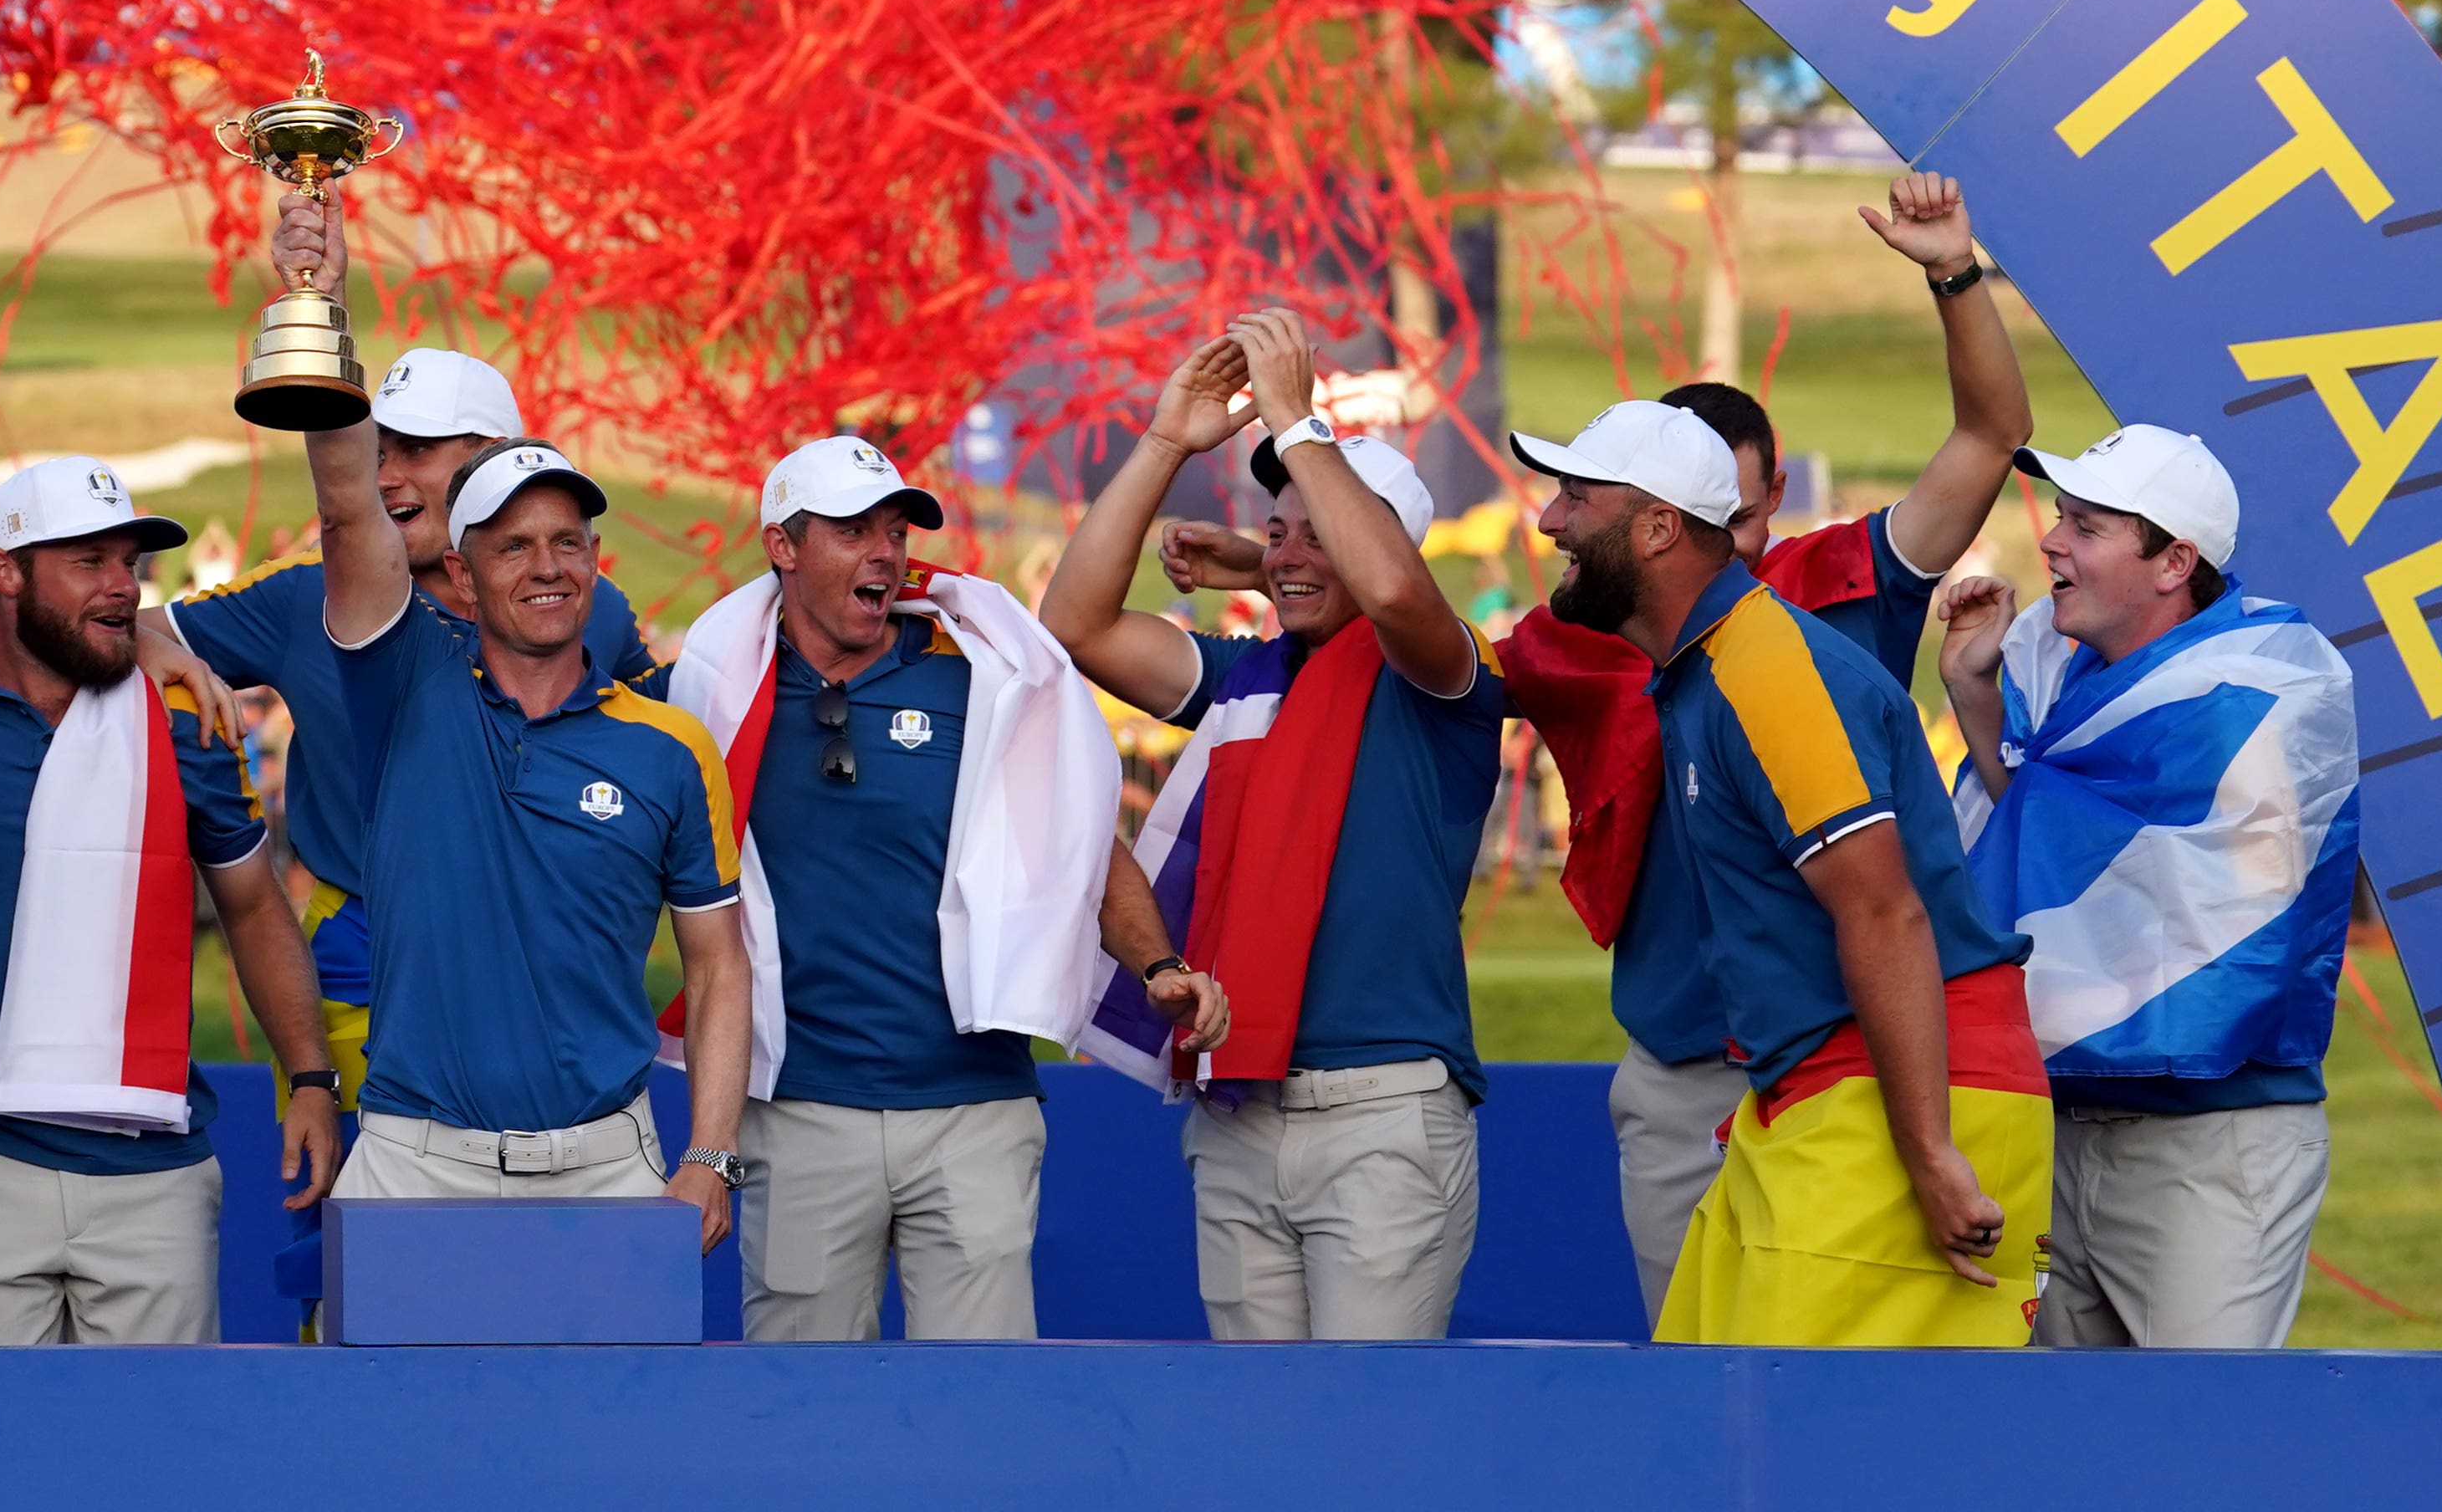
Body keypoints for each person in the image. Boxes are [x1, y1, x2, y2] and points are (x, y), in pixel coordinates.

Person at [1484, 171, 2035, 1320]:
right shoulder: (1673, 653)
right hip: (1778, 1078)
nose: (1544, 523)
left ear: (1659, 525)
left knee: (1812, 1443)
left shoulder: (1772, 651)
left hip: (1869, 1074)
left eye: (1573, 501)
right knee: (1725, 1410)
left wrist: (1928, 1147)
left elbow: (1882, 910)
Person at [1045, 315, 1505, 1341]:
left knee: (1371, 1443)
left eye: (1316, 528)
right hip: (1238, 1107)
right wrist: (1168, 441)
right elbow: (1075, 624)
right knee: (1262, 1438)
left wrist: (1300, 418)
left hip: (1383, 1112)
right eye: (1278, 525)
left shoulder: (1442, 670)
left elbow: (1386, 587)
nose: (1292, 548)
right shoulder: (1248, 677)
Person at [654, 430, 1124, 1341]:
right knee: (799, 1413)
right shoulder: (714, 689)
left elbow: (1083, 842)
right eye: (853, 528)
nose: (887, 552)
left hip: (975, 1107)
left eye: (897, 530)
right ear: (783, 547)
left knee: (984, 1407)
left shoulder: (983, 672)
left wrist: (1157, 964)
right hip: (800, 1111)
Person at [170, 294, 657, 1103]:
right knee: (368, 1211)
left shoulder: (588, 605)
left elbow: (656, 720)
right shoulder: (306, 599)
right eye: (379, 448)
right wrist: (170, 651)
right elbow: (129, 630)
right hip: (363, 956)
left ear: (496, 457)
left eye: (418, 450)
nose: (387, 474)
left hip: (544, 956)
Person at [0, 454, 341, 1345]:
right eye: (89, 562)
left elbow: (256, 908)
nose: (121, 589)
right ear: (5, 571)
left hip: (152, 1172)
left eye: (128, 564)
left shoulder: (186, 718)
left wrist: (309, 1076)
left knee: (157, 1463)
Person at [1940, 424, 2358, 1351]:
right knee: (2062, 1456)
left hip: (2209, 1144)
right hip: (2057, 1127)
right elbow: (2047, 840)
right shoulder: (2047, 669)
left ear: (2175, 561)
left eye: (2086, 526)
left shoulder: (2260, 685)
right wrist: (1976, 695)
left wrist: (2000, 722)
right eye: (2060, 517)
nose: (2050, 540)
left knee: (2200, 1456)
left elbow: (2096, 851)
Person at [311, 370, 754, 1236]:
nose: (547, 566)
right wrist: (317, 308)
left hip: (610, 1165)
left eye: (567, 542)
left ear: (595, 560)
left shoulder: (669, 747)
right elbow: (345, 508)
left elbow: (717, 967)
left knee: (618, 1383)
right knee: (372, 1380)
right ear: (461, 576)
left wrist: (710, 1154)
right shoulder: (403, 686)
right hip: (412, 1160)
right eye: (512, 545)